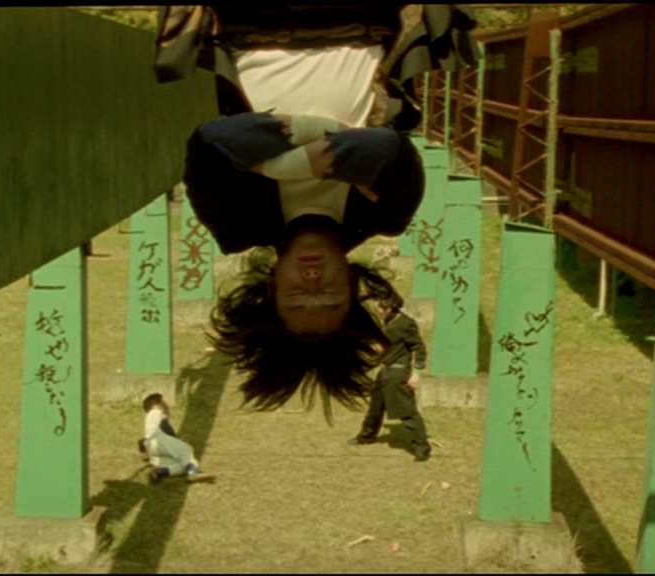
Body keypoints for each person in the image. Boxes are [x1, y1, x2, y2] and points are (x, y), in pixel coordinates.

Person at [155, 6, 478, 413]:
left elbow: (210, 141)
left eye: (296, 297)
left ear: (272, 287)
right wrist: (266, 160)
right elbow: (388, 146)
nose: (312, 280)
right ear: (353, 286)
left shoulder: (234, 222)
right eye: (329, 296)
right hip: (360, 21)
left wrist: (327, 154)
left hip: (252, 24)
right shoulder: (389, 213)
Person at [349, 285, 432, 461]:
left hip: (398, 373)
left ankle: (422, 448)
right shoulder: (388, 321)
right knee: (376, 407)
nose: (378, 310)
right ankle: (367, 436)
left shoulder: (406, 324)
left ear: (390, 308)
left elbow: (419, 348)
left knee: (406, 411)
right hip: (386, 370)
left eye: (381, 307)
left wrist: (416, 373)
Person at [140, 393, 214, 483]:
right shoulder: (157, 412)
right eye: (164, 401)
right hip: (158, 440)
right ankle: (193, 473)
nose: (167, 404)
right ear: (158, 403)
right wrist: (179, 442)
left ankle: (159, 472)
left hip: (151, 447)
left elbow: (146, 438)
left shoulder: (149, 418)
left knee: (182, 464)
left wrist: (144, 451)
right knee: (186, 449)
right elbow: (164, 427)